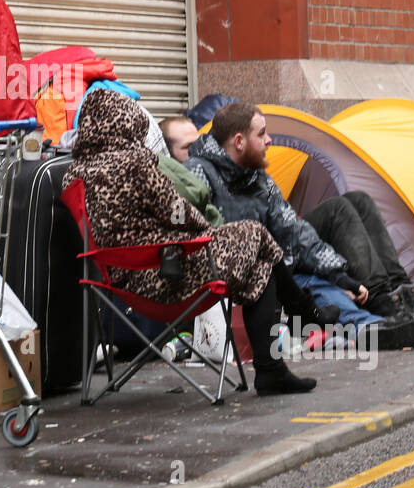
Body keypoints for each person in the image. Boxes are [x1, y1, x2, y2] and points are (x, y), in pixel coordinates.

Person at [63, 88, 316, 395]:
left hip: (117, 282)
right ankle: (282, 346)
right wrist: (207, 232)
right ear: (127, 122)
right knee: (254, 235)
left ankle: (283, 346)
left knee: (257, 257)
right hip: (164, 277)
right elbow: (178, 211)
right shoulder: (136, 165)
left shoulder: (74, 173)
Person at [186, 103, 414, 347]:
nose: (269, 140)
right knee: (314, 276)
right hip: (254, 271)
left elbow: (291, 228)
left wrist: (340, 275)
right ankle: (372, 318)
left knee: (358, 201)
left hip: (281, 255)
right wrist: (331, 276)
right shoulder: (199, 172)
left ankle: (398, 298)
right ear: (238, 142)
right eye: (261, 134)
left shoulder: (257, 177)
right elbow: (202, 236)